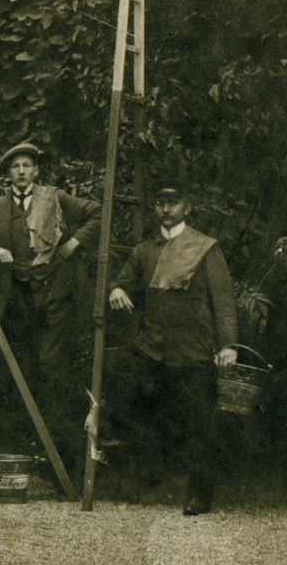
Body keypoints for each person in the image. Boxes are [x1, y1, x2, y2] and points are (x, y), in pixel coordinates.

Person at [0, 142, 100, 472]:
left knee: (53, 367)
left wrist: (73, 244)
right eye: (14, 167)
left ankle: (62, 454)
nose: (21, 172)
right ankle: (27, 449)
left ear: (36, 170)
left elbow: (97, 213)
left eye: (27, 166)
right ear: (8, 174)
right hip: (16, 298)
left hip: (54, 293)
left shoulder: (55, 198)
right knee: (20, 371)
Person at [108, 181, 237, 516]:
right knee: (142, 414)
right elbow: (122, 280)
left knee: (199, 425)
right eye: (160, 202)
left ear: (186, 207)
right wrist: (117, 290)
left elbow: (223, 300)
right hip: (153, 348)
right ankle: (150, 483)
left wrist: (227, 345)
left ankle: (199, 495)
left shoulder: (205, 248)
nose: (166, 208)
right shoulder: (144, 250)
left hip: (192, 350)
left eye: (173, 202)